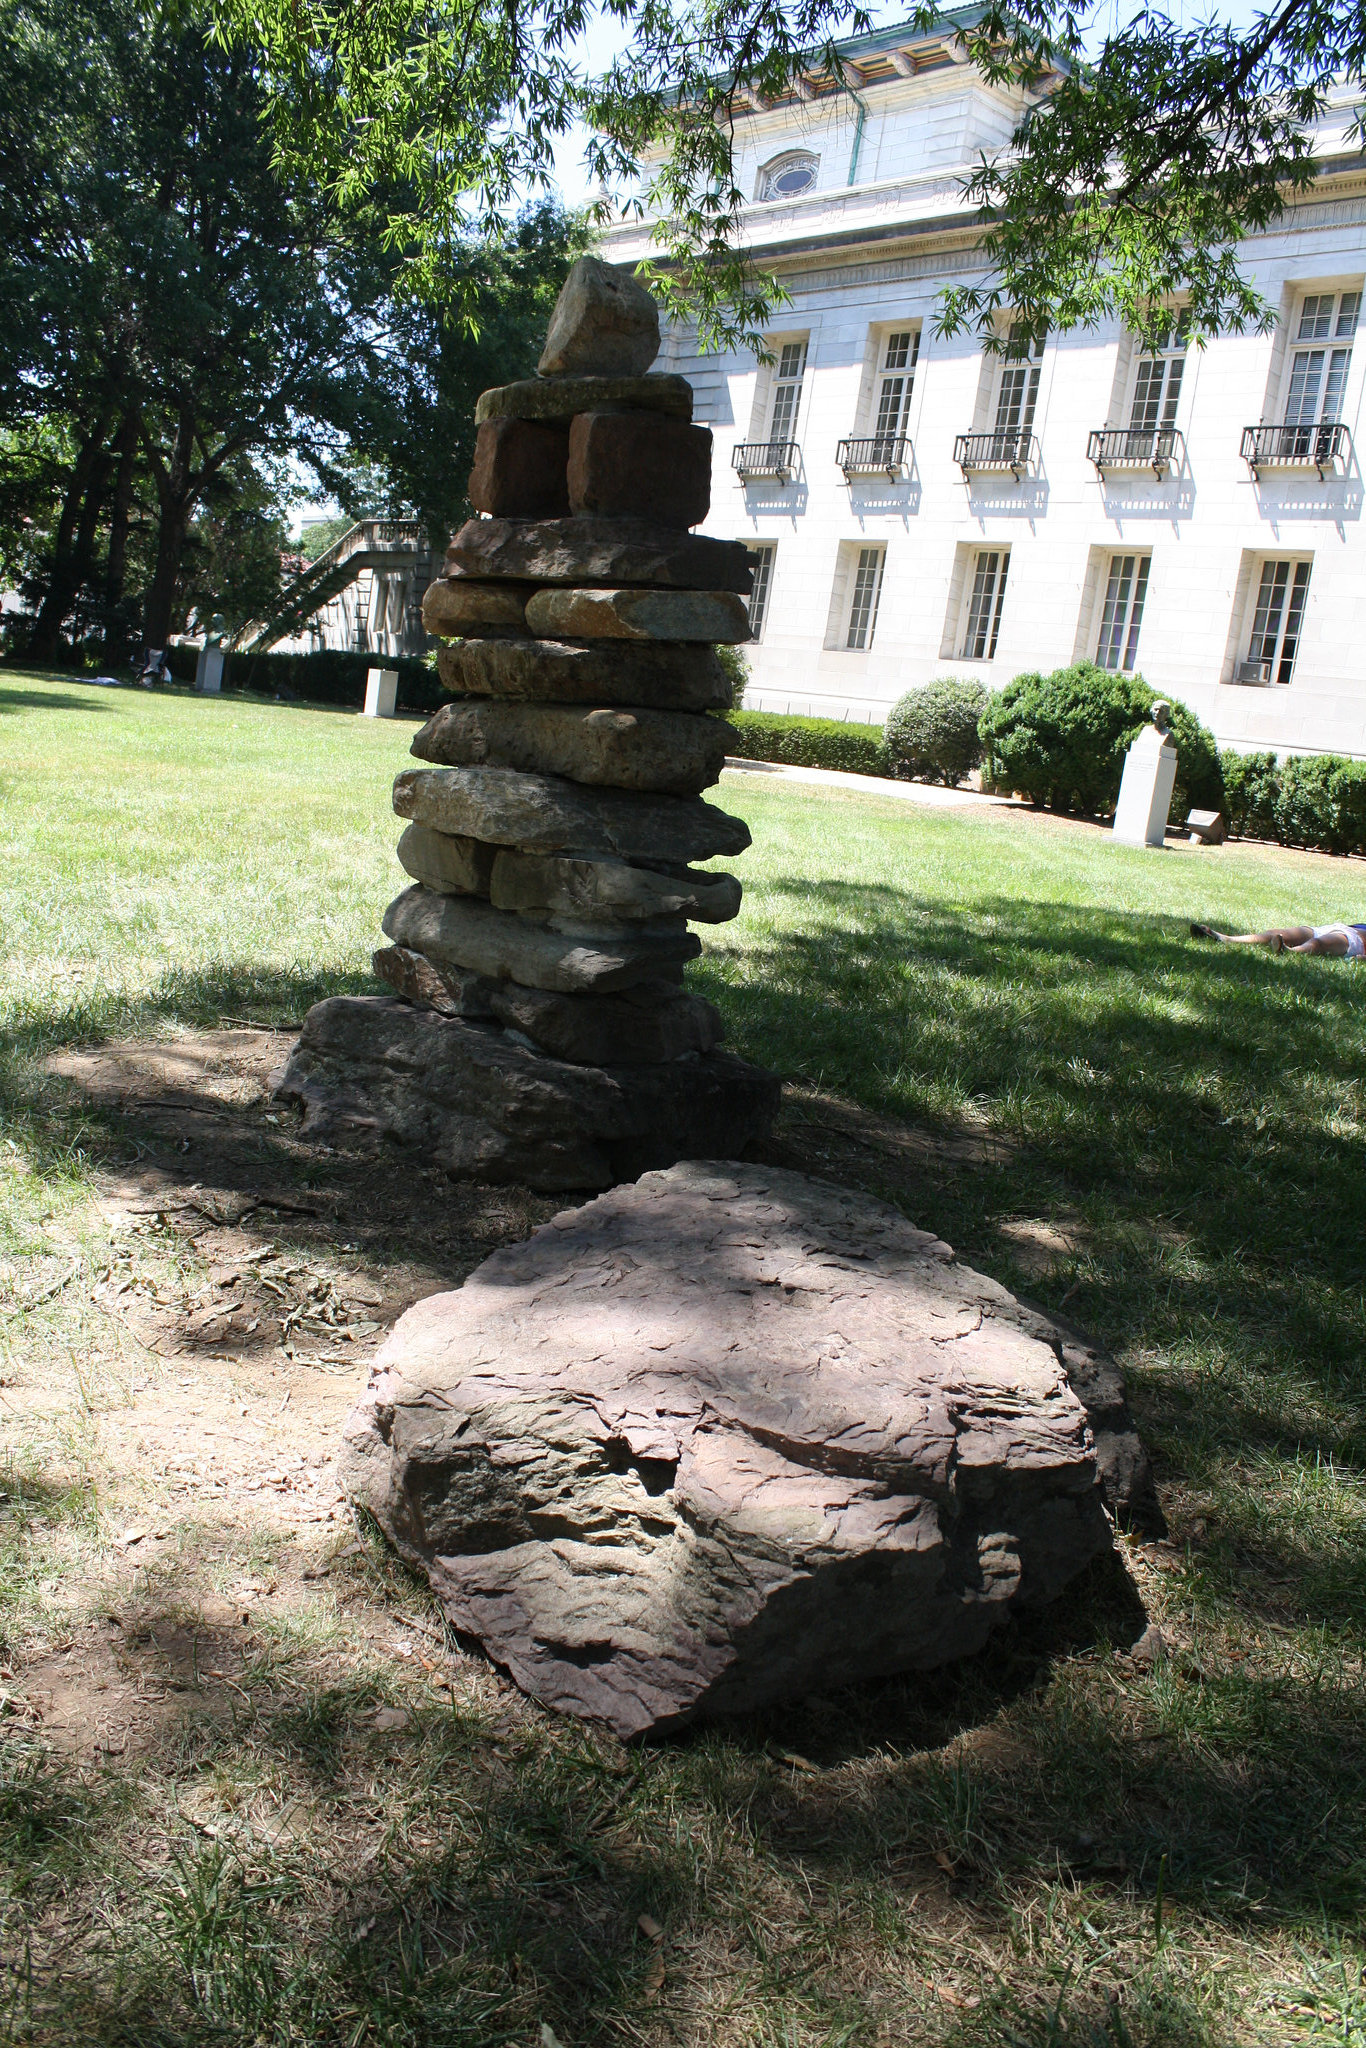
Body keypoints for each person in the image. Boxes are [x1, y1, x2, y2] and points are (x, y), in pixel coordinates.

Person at [1190, 920, 1366, 957]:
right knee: (1276, 933)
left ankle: (1289, 951)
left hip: (1353, 941)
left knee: (1317, 944)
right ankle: (1225, 939)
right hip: (1338, 927)